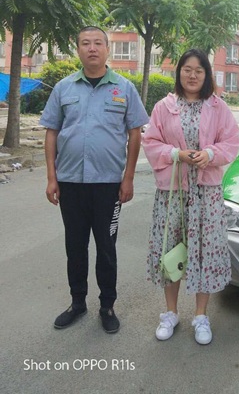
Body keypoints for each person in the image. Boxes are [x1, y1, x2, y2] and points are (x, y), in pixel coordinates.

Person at [40, 26, 148, 334]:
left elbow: (135, 134)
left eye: (98, 43)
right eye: (85, 43)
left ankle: (107, 305)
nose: (92, 48)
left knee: (106, 247)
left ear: (107, 49)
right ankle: (77, 303)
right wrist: (51, 177)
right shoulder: (64, 88)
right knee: (75, 246)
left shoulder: (124, 88)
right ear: (78, 50)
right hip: (71, 182)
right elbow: (52, 132)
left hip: (108, 185)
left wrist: (128, 178)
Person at [142, 48, 239, 345]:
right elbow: (151, 141)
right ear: (179, 72)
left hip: (206, 194)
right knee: (171, 249)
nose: (193, 75)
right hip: (173, 194)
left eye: (199, 70)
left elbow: (231, 143)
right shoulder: (164, 107)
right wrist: (175, 154)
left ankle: (200, 315)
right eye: (187, 69)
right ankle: (170, 313)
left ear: (207, 75)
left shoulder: (218, 107)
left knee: (204, 251)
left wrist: (209, 154)